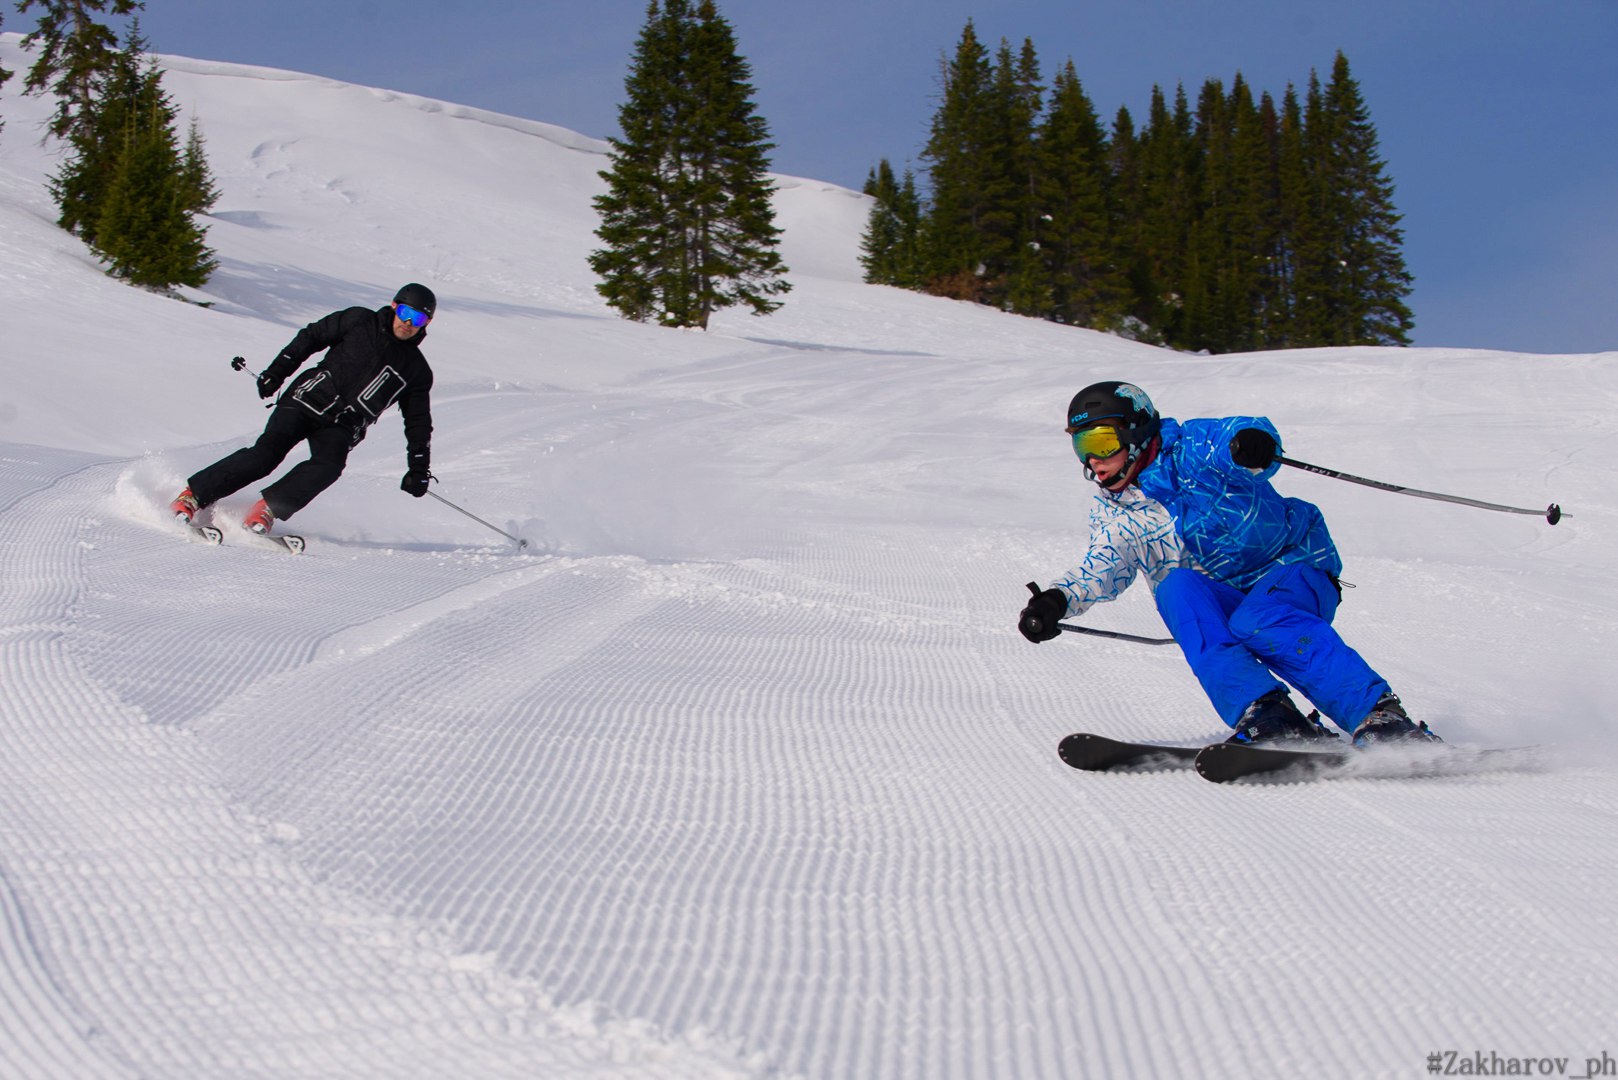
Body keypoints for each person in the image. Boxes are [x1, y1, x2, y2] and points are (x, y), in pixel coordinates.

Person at [1017, 380, 1440, 747]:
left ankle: (1379, 715)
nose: (1092, 460)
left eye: (1100, 443)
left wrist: (1251, 445)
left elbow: (1237, 436)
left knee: (1260, 618)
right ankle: (1267, 712)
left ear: (1138, 433)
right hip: (1228, 594)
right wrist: (1057, 600)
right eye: (1081, 447)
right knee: (1176, 590)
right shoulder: (1118, 512)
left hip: (1293, 565)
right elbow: (1102, 567)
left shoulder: (1192, 449)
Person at [169, 283, 438, 535]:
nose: (408, 323)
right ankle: (193, 496)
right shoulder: (359, 320)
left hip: (343, 424)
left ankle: (267, 510)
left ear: (426, 325)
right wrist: (277, 372)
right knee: (266, 455)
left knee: (329, 466)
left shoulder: (416, 370)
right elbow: (311, 337)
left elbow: (418, 422)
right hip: (306, 399)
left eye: (419, 320)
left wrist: (418, 469)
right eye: (405, 313)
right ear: (394, 306)